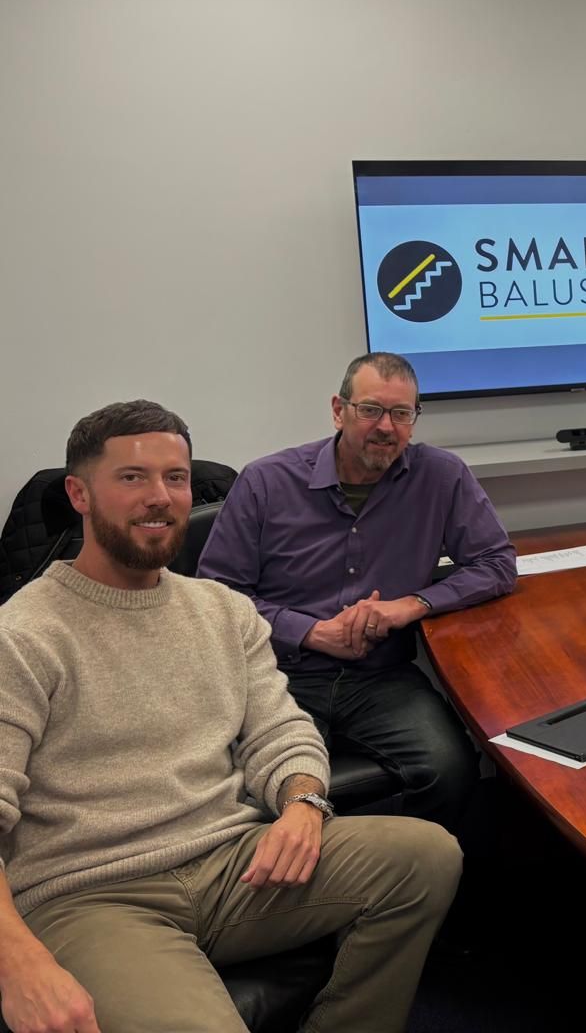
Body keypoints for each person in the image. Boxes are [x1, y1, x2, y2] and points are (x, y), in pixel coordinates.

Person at [0, 400, 461, 1033]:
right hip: (94, 895)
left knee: (426, 857)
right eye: (132, 478)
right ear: (79, 493)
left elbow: (281, 728)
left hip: (232, 864)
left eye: (176, 477)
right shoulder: (23, 634)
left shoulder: (222, 609)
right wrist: (17, 963)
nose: (160, 497)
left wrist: (304, 804)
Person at [198, 352, 516, 828]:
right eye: (371, 410)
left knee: (450, 771)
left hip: (380, 676)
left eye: (401, 414)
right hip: (280, 674)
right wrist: (310, 632)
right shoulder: (267, 481)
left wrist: (412, 605)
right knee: (257, 793)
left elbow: (497, 563)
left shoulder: (441, 476)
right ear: (338, 410)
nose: (386, 426)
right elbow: (216, 592)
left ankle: (400, 873)